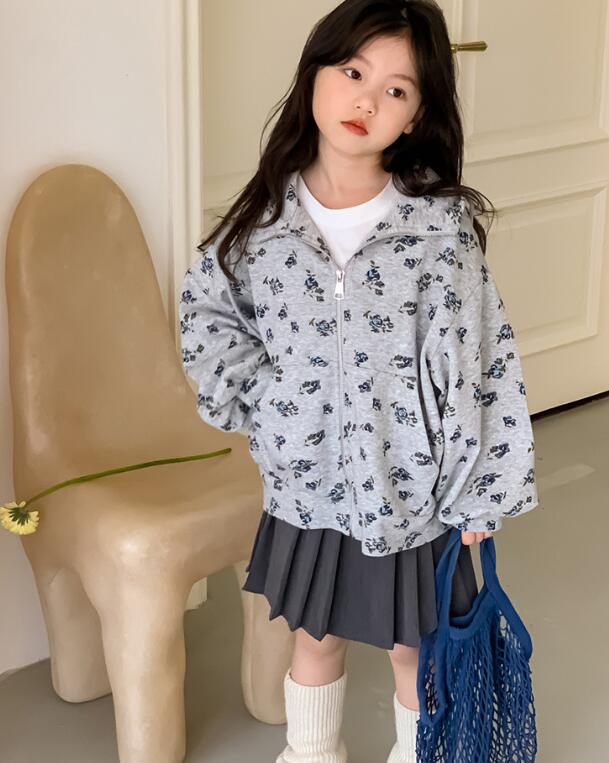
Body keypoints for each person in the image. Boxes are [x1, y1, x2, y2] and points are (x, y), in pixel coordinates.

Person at [178, 1, 540, 761]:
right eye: (352, 72)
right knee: (314, 637)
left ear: (416, 116)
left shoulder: (435, 230)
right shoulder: (263, 222)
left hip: (412, 490)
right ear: (315, 73)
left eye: (396, 89)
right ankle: (312, 753)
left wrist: (481, 488)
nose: (367, 100)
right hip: (306, 487)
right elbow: (207, 315)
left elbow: (482, 362)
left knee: (415, 650)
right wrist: (267, 405)